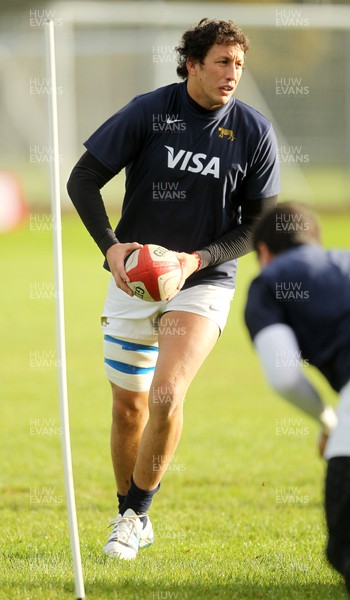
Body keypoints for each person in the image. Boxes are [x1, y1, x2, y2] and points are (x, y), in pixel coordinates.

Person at [67, 17, 280, 560]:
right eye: (222, 63)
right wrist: (111, 247)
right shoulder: (150, 110)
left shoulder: (254, 132)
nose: (232, 74)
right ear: (192, 63)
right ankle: (127, 511)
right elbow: (83, 178)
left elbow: (256, 224)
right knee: (128, 410)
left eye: (239, 64)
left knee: (168, 389)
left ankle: (137, 514)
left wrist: (196, 260)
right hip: (134, 279)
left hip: (203, 281)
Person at [244, 201, 350, 593]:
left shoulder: (270, 282)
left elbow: (285, 377)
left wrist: (330, 421)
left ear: (264, 253)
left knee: (345, 548)